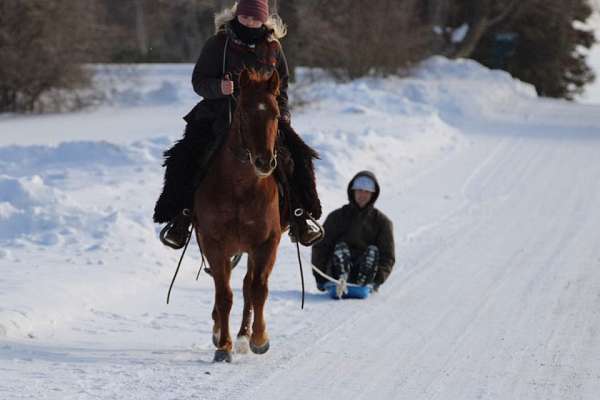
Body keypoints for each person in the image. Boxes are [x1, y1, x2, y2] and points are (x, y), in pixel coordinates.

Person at [153, 0, 323, 249]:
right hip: (218, 115)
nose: (250, 22)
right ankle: (181, 217)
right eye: (245, 17)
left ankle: (300, 215)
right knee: (186, 155)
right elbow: (198, 80)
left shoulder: (273, 48)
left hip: (263, 119)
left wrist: (282, 113)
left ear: (263, 19)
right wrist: (218, 88)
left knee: (297, 156)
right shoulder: (218, 44)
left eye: (255, 18)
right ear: (237, 15)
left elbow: (282, 87)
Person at [311, 171, 395, 291]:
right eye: (359, 190)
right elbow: (320, 247)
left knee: (372, 252)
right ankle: (343, 274)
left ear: (373, 194)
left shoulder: (382, 222)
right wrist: (320, 278)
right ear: (353, 191)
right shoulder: (336, 217)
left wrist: (378, 280)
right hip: (337, 270)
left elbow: (388, 255)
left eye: (367, 192)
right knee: (341, 249)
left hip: (366, 272)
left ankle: (364, 277)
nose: (362, 195)